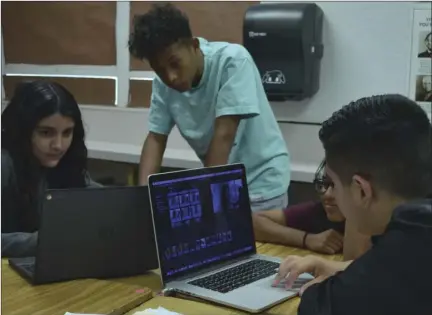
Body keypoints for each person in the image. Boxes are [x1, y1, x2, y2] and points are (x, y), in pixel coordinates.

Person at [273, 94, 432, 315]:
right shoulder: (417, 234)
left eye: (334, 184)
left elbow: (317, 306)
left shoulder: (405, 248)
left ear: (361, 189)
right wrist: (339, 267)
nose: (332, 195)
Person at [128, 3, 290, 212]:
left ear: (194, 45)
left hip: (261, 182)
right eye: (159, 70)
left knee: (255, 244)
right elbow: (156, 138)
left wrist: (207, 201)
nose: (171, 77)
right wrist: (145, 198)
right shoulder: (162, 85)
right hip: (219, 181)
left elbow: (224, 133)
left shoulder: (232, 61)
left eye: (175, 63)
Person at [1, 80, 101, 258]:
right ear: (23, 130)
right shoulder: (4, 163)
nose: (59, 145)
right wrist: (45, 241)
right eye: (46, 133)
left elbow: (94, 194)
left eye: (67, 133)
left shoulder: (65, 160)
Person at [253, 160, 371, 259]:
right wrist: (307, 239)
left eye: (336, 186)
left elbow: (357, 266)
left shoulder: (375, 221)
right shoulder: (318, 211)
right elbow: (254, 222)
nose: (327, 195)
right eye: (324, 184)